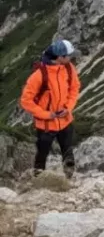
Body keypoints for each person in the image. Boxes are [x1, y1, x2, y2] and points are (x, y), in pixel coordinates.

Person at [20, 39, 80, 177]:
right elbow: (25, 100)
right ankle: (37, 181)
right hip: (46, 125)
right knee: (42, 156)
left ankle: (69, 180)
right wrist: (47, 115)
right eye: (69, 55)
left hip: (65, 120)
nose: (71, 58)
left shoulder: (69, 68)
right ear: (60, 57)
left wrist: (68, 108)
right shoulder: (39, 75)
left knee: (68, 154)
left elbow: (74, 88)